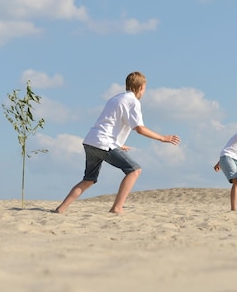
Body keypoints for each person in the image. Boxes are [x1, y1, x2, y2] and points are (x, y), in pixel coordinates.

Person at [55, 71, 181, 214]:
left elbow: (109, 123)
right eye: (145, 88)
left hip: (91, 141)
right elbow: (139, 128)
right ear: (141, 88)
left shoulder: (115, 99)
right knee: (134, 170)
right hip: (104, 143)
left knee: (88, 179)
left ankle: (61, 208)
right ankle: (117, 207)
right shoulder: (133, 101)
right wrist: (162, 138)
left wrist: (118, 144)